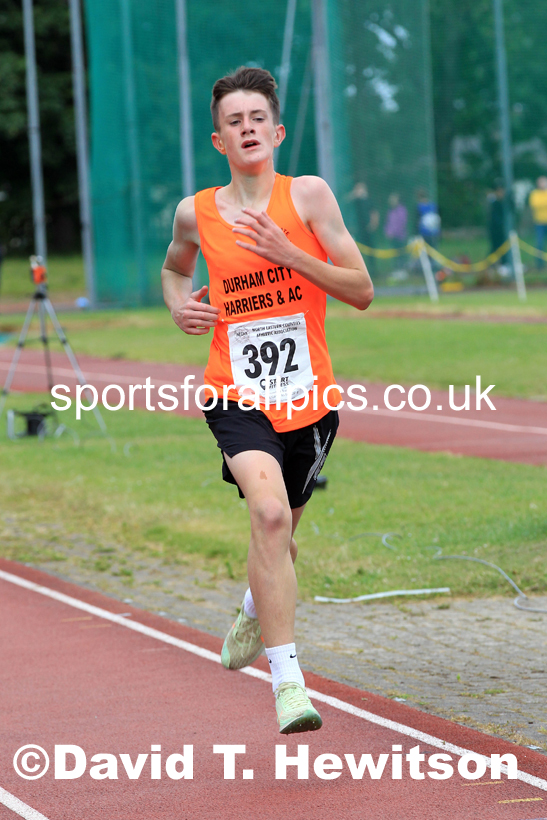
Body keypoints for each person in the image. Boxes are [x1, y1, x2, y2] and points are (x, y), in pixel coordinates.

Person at [161, 66, 373, 735]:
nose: (246, 128)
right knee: (271, 517)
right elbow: (174, 268)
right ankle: (288, 683)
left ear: (276, 132)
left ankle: (255, 607)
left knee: (283, 536)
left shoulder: (306, 197)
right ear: (219, 140)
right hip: (235, 391)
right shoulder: (195, 210)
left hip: (308, 400)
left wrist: (290, 252)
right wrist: (178, 307)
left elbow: (362, 288)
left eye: (257, 118)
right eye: (233, 121)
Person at [348, 182, 379, 276]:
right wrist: (354, 194)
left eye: (361, 189)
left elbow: (374, 213)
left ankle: (373, 270)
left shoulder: (368, 200)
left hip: (367, 229)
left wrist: (373, 224)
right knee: (358, 250)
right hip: (358, 229)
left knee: (370, 249)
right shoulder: (355, 201)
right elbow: (347, 201)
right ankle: (359, 270)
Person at [528, 176, 547, 269]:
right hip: (539, 223)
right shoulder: (534, 194)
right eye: (541, 182)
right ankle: (539, 265)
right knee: (539, 243)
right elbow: (535, 205)